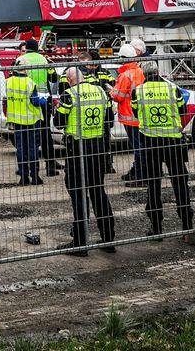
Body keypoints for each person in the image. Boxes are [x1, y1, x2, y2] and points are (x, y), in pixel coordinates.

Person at [131, 58, 195, 238]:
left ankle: (157, 227)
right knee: (180, 182)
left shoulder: (138, 91)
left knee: (153, 184)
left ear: (143, 74)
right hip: (173, 142)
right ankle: (187, 224)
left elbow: (135, 113)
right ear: (158, 72)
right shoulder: (172, 88)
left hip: (150, 143)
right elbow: (182, 111)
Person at [53, 66, 116, 250]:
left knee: (78, 195)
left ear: (71, 80)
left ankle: (80, 242)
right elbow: (109, 121)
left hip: (77, 149)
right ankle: (108, 239)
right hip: (97, 148)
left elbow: (59, 122)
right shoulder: (101, 92)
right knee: (98, 192)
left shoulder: (69, 95)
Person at [15, 38, 62, 177]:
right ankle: (50, 167)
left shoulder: (21, 60)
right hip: (43, 101)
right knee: (45, 133)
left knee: (27, 137)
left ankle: (26, 168)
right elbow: (53, 79)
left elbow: (14, 77)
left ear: (27, 48)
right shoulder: (44, 60)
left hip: (26, 102)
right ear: (37, 48)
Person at [2, 60, 47, 184]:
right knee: (32, 148)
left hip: (16, 120)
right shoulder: (29, 83)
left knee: (21, 149)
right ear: (27, 69)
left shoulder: (9, 82)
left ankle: (23, 177)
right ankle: (35, 176)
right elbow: (35, 101)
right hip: (31, 120)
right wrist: (44, 100)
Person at [112, 43, 147, 184]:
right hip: (141, 115)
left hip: (129, 116)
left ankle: (140, 176)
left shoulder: (124, 75)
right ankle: (141, 172)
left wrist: (111, 92)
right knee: (142, 147)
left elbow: (118, 96)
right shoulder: (139, 71)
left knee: (138, 148)